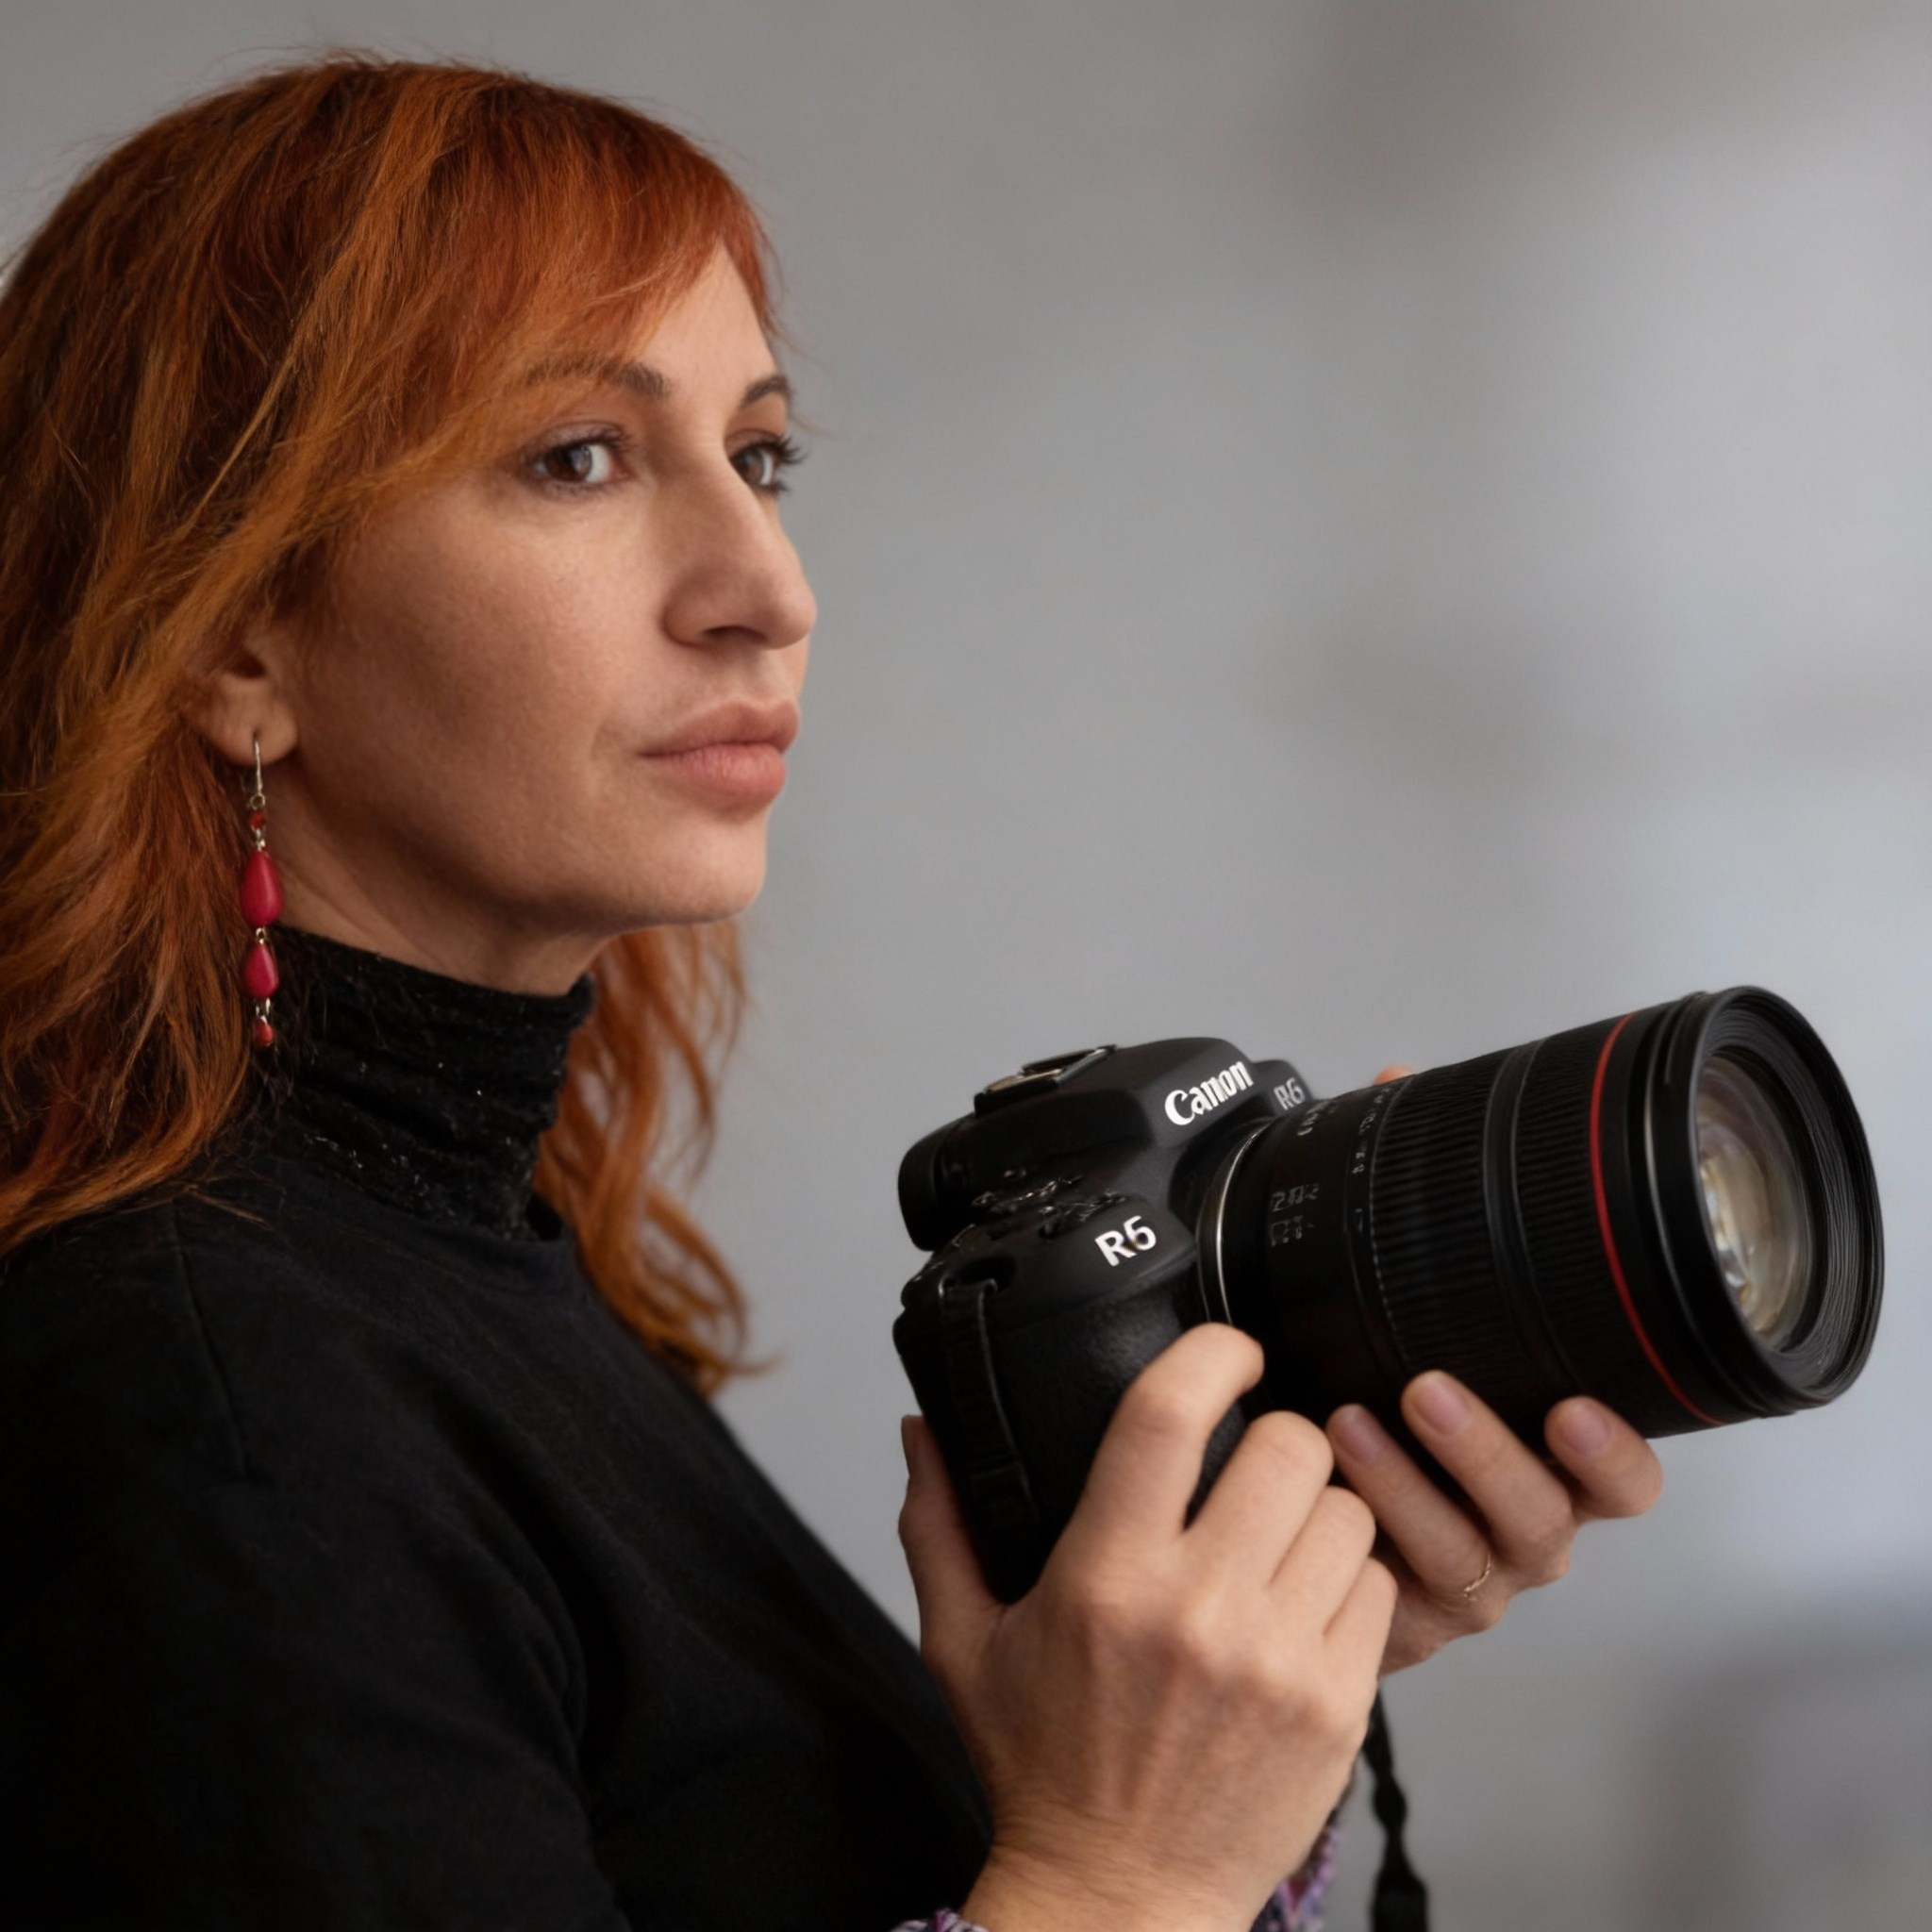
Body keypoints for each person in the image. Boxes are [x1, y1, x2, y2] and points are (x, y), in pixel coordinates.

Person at [0, 57, 1663, 1932]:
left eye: (760, 453)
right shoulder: (201, 1401)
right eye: (579, 456)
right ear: (233, 638)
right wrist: (1123, 1873)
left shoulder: (488, 1257)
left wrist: (1223, 1720)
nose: (765, 584)